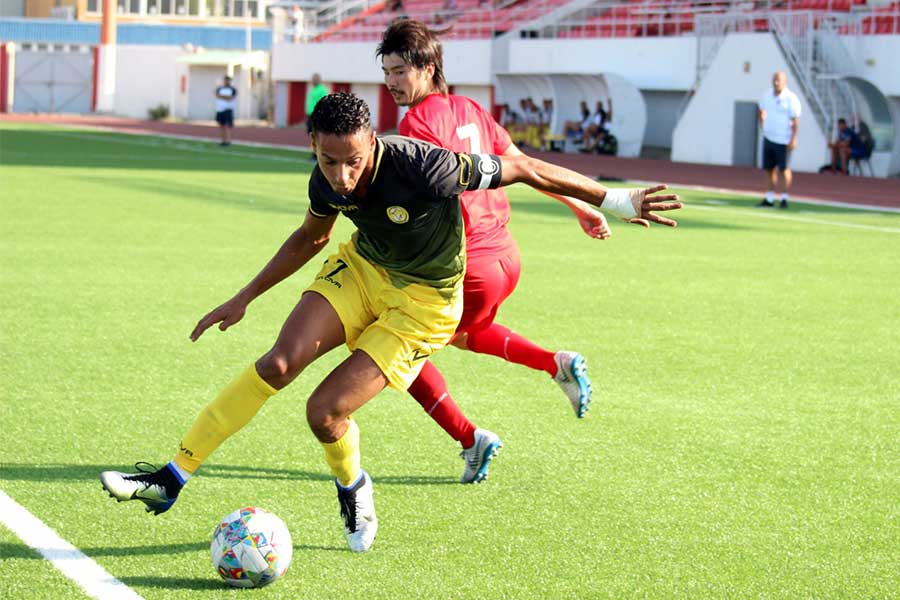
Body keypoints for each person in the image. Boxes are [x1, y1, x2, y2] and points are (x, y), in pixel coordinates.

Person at [99, 92, 681, 553]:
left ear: (372, 143)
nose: (343, 176)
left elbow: (523, 166)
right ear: (314, 147)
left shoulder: (427, 169)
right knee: (277, 363)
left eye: (354, 160)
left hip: (425, 304)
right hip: (362, 269)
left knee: (323, 413)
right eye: (329, 160)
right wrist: (244, 296)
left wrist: (614, 202)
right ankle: (171, 477)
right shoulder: (323, 177)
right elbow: (313, 236)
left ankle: (353, 488)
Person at [378, 19, 682, 482]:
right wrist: (579, 206)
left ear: (428, 67)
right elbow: (522, 165)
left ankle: (470, 439)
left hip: (471, 264)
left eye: (400, 71)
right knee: (466, 334)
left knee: (396, 347)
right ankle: (554, 364)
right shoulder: (470, 108)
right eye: (387, 72)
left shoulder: (417, 121)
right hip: (506, 259)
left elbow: (428, 195)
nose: (392, 82)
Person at [758, 71, 801, 209]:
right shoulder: (767, 95)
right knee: (769, 169)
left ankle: (784, 198)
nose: (776, 83)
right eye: (774, 80)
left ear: (784, 82)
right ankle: (769, 198)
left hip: (783, 140)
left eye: (779, 80)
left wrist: (793, 139)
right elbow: (761, 110)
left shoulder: (791, 98)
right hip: (769, 137)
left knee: (784, 169)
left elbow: (795, 120)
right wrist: (762, 123)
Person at [214, 75, 237, 146]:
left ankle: (228, 140)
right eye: (225, 80)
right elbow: (217, 95)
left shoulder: (232, 89)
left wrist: (222, 96)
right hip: (220, 109)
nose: (226, 81)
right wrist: (225, 97)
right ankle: (223, 140)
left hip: (228, 109)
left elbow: (230, 98)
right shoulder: (220, 89)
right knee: (221, 125)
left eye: (228, 80)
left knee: (228, 126)